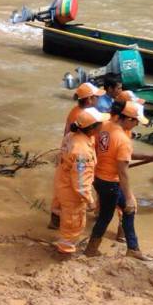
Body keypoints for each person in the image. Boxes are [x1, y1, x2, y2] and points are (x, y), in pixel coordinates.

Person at [84, 101, 153, 260]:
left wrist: (149, 157)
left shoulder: (104, 125)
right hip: (111, 183)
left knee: (128, 210)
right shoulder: (123, 139)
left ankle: (132, 248)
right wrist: (130, 196)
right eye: (136, 121)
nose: (137, 124)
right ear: (128, 119)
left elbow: (120, 155)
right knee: (106, 216)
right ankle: (91, 249)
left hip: (98, 178)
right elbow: (123, 172)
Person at [49, 81, 107, 230]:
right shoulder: (83, 117)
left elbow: (67, 134)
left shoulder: (76, 113)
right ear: (89, 99)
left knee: (61, 193)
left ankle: (55, 222)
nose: (98, 100)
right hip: (75, 164)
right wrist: (90, 201)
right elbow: (81, 182)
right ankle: (65, 243)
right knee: (73, 214)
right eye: (96, 97)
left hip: (66, 160)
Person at [54, 108, 109, 256]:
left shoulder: (73, 136)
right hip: (72, 192)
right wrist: (90, 200)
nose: (103, 125)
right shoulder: (82, 151)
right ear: (92, 127)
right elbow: (80, 182)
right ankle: (64, 253)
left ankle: (64, 245)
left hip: (62, 183)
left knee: (67, 219)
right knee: (73, 224)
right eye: (100, 123)